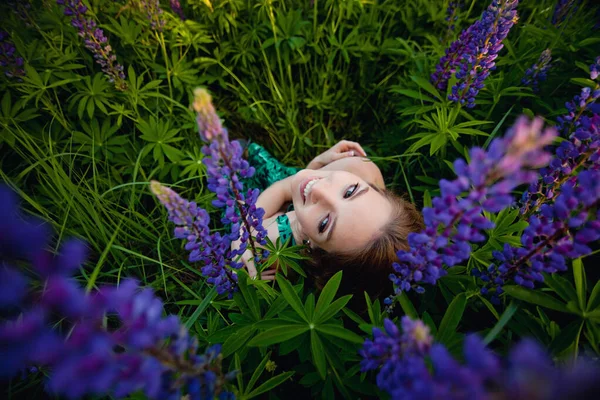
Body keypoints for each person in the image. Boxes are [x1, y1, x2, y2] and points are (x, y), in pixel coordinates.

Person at [232, 140, 424, 303]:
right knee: (276, 170)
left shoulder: (278, 240)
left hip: (273, 212)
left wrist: (242, 235)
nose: (320, 190)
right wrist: (316, 166)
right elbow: (287, 185)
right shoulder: (360, 168)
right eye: (350, 192)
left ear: (314, 252)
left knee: (235, 189)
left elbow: (282, 192)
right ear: (376, 188)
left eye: (324, 224)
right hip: (298, 192)